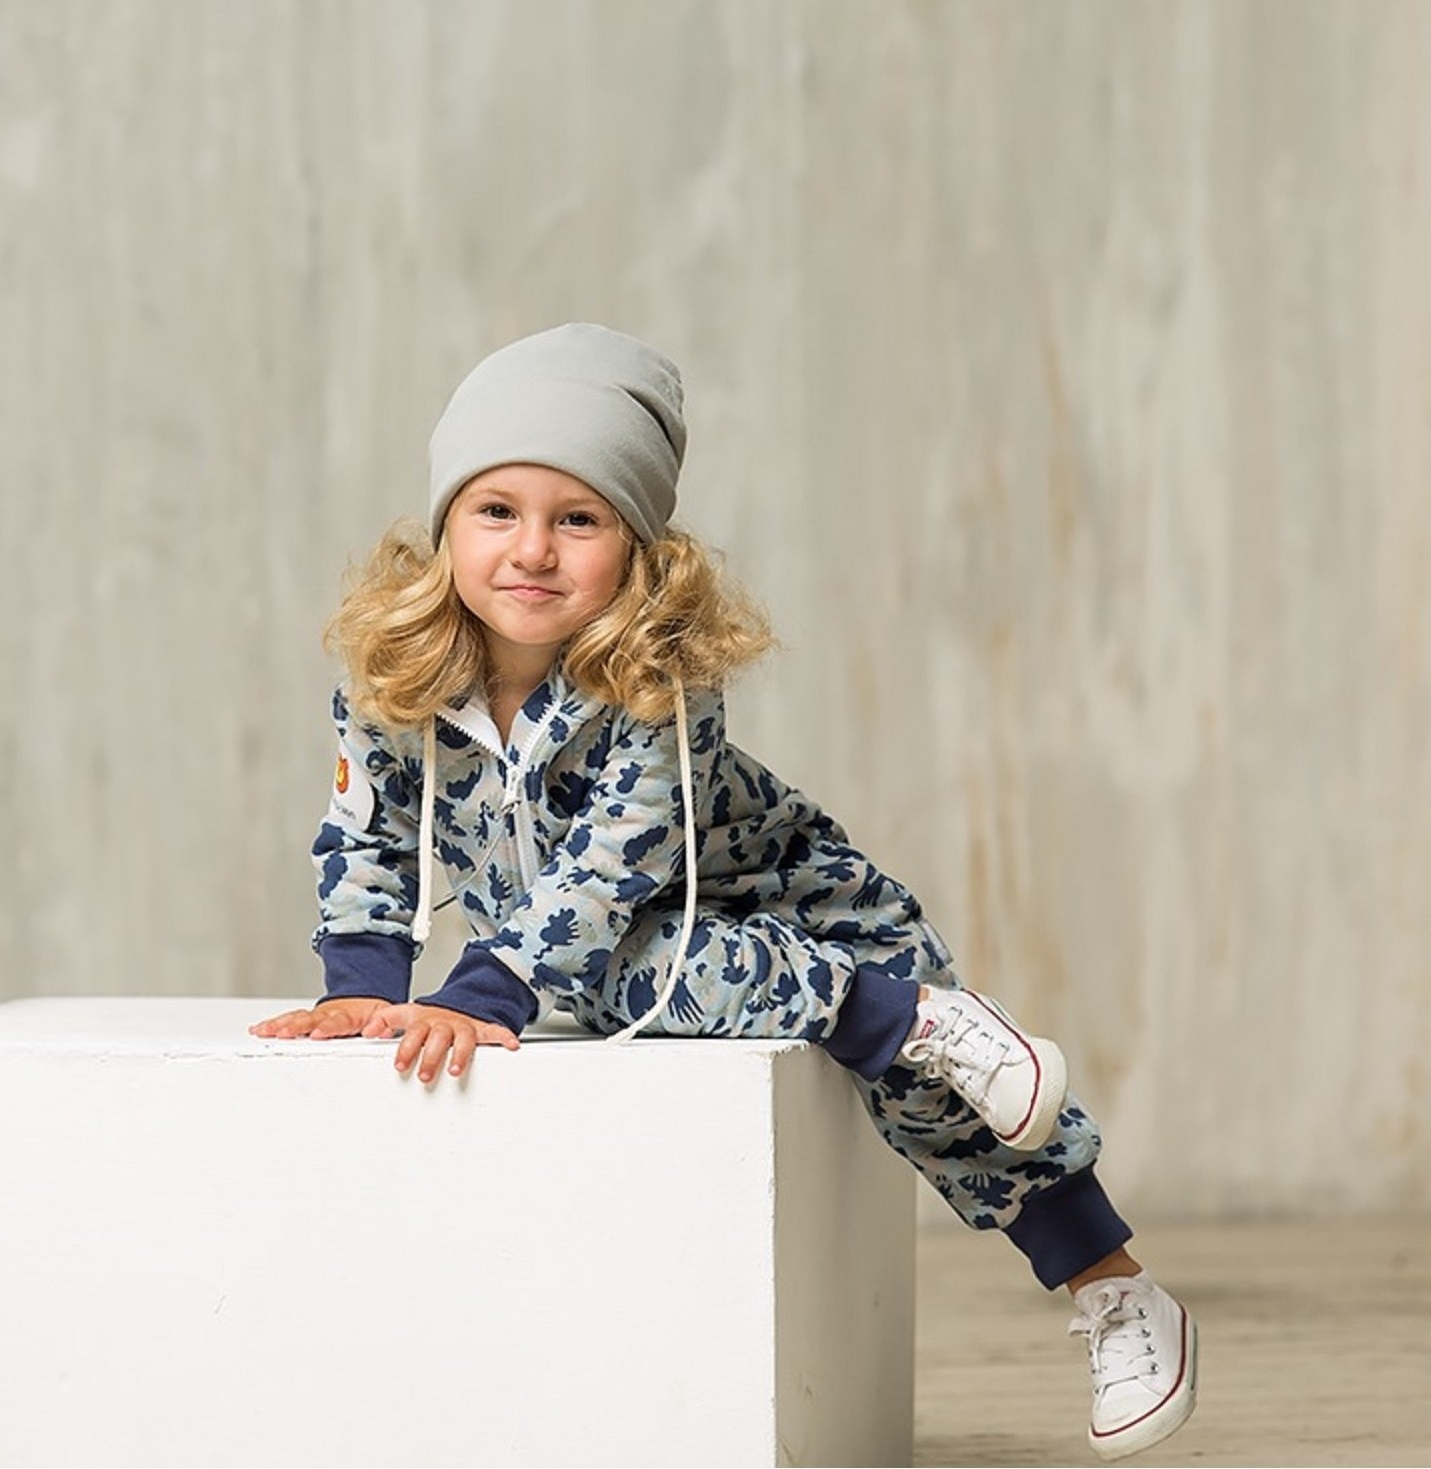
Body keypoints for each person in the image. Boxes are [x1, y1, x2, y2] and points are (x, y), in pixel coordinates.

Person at [251, 323, 1199, 1462]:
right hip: (608, 949)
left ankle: (1111, 1283)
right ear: (445, 524)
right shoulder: (395, 680)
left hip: (793, 913)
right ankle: (898, 1020)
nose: (533, 550)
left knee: (938, 1106)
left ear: (637, 547)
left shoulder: (656, 680)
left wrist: (483, 993)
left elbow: (612, 866)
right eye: (496, 510)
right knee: (624, 978)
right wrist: (360, 984)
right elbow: (368, 835)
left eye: (578, 519)